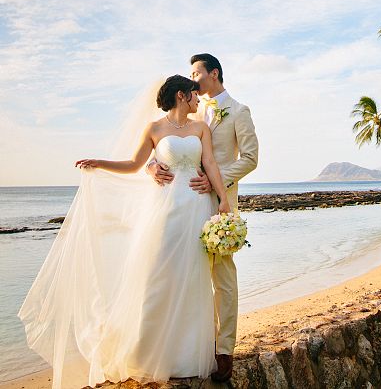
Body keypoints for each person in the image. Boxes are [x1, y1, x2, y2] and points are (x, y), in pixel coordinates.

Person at [18, 75, 230, 388]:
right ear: (183, 96)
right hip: (167, 209)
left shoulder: (200, 128)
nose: (199, 100)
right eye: (195, 95)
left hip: (197, 206)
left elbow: (209, 162)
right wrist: (99, 163)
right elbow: (134, 164)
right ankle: (147, 354)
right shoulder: (155, 129)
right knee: (159, 275)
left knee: (193, 275)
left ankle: (185, 355)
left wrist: (223, 198)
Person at [147, 54, 258, 382]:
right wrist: (151, 165)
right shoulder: (190, 109)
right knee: (188, 272)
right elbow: (160, 147)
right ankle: (196, 343)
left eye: (196, 73)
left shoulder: (239, 111)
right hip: (184, 202)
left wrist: (217, 179)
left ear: (214, 73)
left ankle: (224, 349)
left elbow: (251, 158)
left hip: (219, 202)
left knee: (222, 276)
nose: (192, 79)